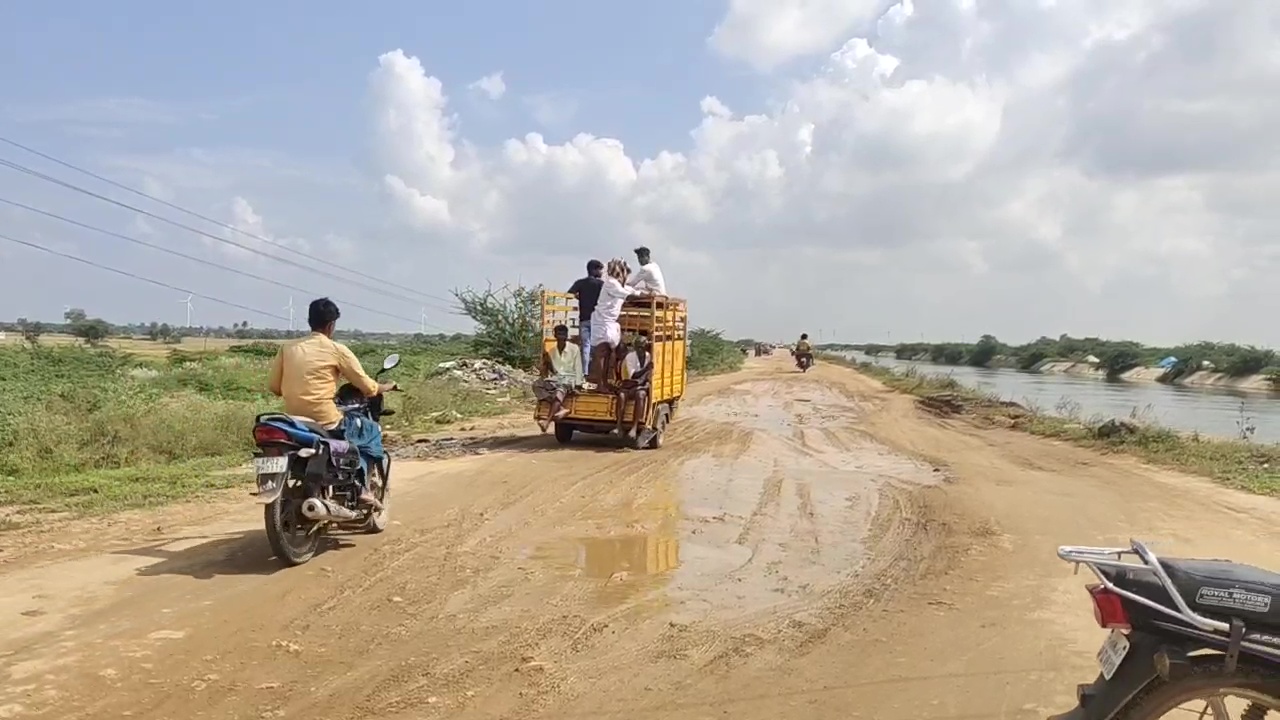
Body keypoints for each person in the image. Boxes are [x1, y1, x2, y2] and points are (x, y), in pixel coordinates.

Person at [267, 297, 395, 507]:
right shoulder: (336, 349)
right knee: (370, 431)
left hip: (294, 420)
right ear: (331, 325)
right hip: (325, 419)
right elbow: (369, 388)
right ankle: (361, 488)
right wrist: (386, 386)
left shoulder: (287, 348)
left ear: (309, 320)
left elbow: (274, 388)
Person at [588, 258, 637, 387]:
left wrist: (644, 293)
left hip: (609, 323)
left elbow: (631, 291)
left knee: (610, 353)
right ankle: (601, 384)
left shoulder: (619, 284)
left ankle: (607, 382)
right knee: (602, 353)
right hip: (602, 322)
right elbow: (626, 294)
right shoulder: (611, 283)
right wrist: (638, 295)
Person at [533, 324, 584, 432]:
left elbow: (578, 367)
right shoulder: (552, 351)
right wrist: (545, 364)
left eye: (563, 334)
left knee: (559, 391)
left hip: (570, 379)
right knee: (537, 385)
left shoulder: (574, 349)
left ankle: (547, 422)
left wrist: (578, 385)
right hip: (556, 378)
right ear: (555, 335)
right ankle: (561, 409)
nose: (561, 336)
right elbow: (553, 371)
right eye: (559, 334)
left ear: (566, 335)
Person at [567, 259, 604, 374]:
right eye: (600, 270)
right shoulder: (601, 284)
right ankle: (597, 374)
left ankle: (584, 373)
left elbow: (569, 294)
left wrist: (579, 297)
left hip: (584, 319)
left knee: (585, 347)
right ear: (594, 270)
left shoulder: (580, 283)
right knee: (598, 347)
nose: (602, 273)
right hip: (597, 320)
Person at [615, 332, 653, 440]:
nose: (640, 349)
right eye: (638, 347)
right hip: (630, 384)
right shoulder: (630, 357)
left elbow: (646, 375)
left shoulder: (648, 356)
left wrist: (643, 378)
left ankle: (634, 427)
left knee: (640, 395)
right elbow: (634, 375)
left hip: (640, 385)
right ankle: (619, 426)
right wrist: (646, 369)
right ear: (635, 347)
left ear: (645, 347)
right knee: (621, 396)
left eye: (642, 347)